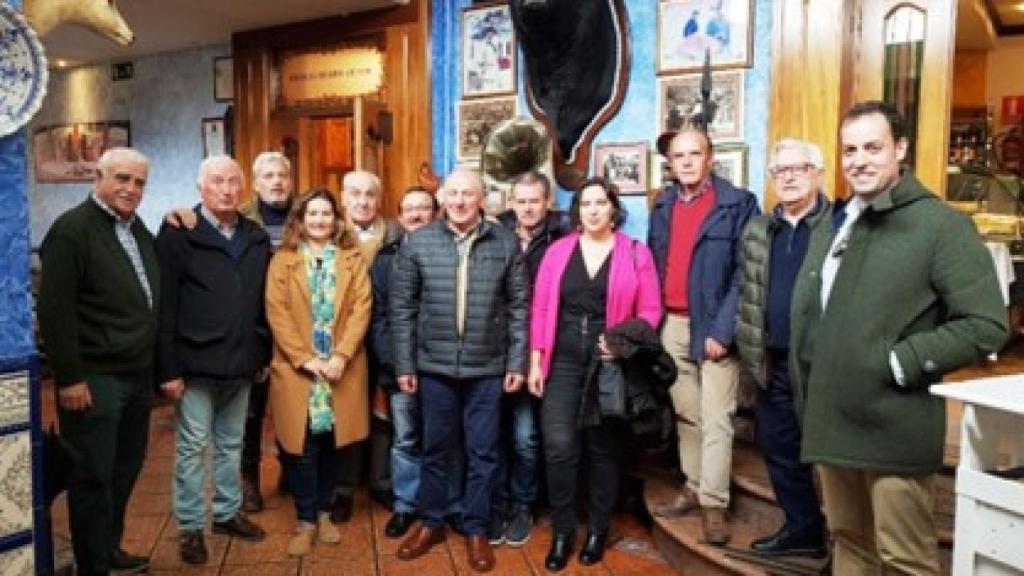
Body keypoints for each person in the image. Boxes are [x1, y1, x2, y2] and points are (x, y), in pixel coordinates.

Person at [790, 101, 1008, 575]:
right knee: (849, 544)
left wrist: (899, 361)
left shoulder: (941, 226)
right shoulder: (835, 221)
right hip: (832, 420)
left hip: (894, 424)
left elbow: (987, 324)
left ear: (900, 149)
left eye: (873, 147)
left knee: (904, 560)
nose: (859, 160)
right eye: (850, 149)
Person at [391, 168, 528, 573]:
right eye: (453, 193)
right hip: (433, 367)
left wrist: (517, 361)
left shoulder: (505, 243)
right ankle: (430, 521)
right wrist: (405, 364)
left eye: (468, 194)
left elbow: (520, 307)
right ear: (442, 198)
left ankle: (475, 527)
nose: (460, 201)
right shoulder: (418, 242)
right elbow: (402, 310)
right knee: (434, 449)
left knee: (484, 452)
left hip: (487, 368)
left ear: (482, 198)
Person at [528, 178, 662, 571]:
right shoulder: (557, 252)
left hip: (608, 366)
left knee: (603, 451)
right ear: (577, 210)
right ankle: (563, 532)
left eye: (600, 202)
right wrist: (536, 360)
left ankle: (599, 531)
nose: (592, 210)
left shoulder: (635, 253)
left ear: (613, 209)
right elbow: (539, 309)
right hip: (562, 363)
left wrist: (620, 343)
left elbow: (651, 311)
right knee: (559, 448)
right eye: (585, 203)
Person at [38, 148, 158, 576]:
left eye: (139, 182)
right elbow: (55, 312)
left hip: (135, 377)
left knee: (124, 471)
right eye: (122, 178)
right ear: (98, 177)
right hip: (93, 379)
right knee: (91, 478)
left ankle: (108, 549)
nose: (131, 189)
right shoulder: (72, 232)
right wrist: (69, 378)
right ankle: (92, 565)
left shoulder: (137, 228)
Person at [156, 155, 272, 565]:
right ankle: (190, 527)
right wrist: (167, 368)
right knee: (191, 447)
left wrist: (262, 353)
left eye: (232, 181)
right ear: (201, 186)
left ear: (242, 187)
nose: (226, 189)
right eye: (217, 181)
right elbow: (164, 303)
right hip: (194, 361)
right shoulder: (177, 233)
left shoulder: (256, 237)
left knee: (231, 444)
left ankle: (226, 514)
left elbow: (263, 303)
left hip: (242, 361)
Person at [647, 127, 759, 546]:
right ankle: (694, 484)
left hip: (714, 326)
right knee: (687, 413)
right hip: (671, 325)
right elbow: (655, 262)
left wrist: (723, 329)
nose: (688, 162)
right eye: (680, 156)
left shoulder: (737, 204)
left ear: (710, 158)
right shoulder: (664, 205)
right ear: (671, 164)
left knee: (716, 417)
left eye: (696, 154)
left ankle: (714, 504)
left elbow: (746, 273)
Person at [264, 188, 372, 556]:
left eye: (326, 214)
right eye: (312, 214)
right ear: (300, 220)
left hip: (342, 368)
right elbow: (275, 312)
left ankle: (325, 513)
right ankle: (305, 518)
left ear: (337, 220)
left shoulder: (352, 259)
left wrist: (341, 355)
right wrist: (303, 358)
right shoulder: (283, 260)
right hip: (299, 371)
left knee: (331, 445)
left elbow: (362, 308)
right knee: (301, 446)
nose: (320, 220)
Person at [735, 139, 829, 558]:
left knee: (829, 457)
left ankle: (848, 544)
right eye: (780, 171)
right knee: (778, 449)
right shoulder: (758, 229)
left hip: (820, 364)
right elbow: (746, 290)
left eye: (799, 168)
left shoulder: (839, 225)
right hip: (770, 361)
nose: (788, 177)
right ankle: (804, 529)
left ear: (817, 173)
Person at [366, 186, 450, 539]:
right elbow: (379, 318)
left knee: (443, 439)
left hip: (443, 368)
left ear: (435, 214)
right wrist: (398, 364)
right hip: (400, 369)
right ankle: (405, 506)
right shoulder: (385, 259)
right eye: (409, 209)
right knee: (406, 439)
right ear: (399, 217)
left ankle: (442, 507)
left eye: (424, 209)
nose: (416, 215)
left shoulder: (451, 253)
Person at [490, 170, 568, 547]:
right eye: (520, 201)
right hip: (494, 350)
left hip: (539, 349)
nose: (527, 208)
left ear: (547, 202)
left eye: (534, 201)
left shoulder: (564, 235)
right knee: (494, 434)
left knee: (526, 436)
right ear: (511, 202)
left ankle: (522, 505)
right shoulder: (495, 233)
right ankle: (498, 504)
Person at [331, 169, 403, 522]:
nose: (362, 201)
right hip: (346, 341)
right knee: (348, 411)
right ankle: (343, 488)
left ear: (379, 199)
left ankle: (381, 482)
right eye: (355, 193)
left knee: (383, 413)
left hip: (385, 335)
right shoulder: (328, 232)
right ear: (342, 197)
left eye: (370, 194)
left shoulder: (396, 233)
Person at [239, 151, 295, 511]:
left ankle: (292, 472)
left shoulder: (306, 214)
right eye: (268, 176)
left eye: (282, 176)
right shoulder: (240, 217)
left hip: (297, 326)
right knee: (251, 411)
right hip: (254, 327)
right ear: (256, 182)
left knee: (294, 404)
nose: (276, 182)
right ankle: (248, 481)